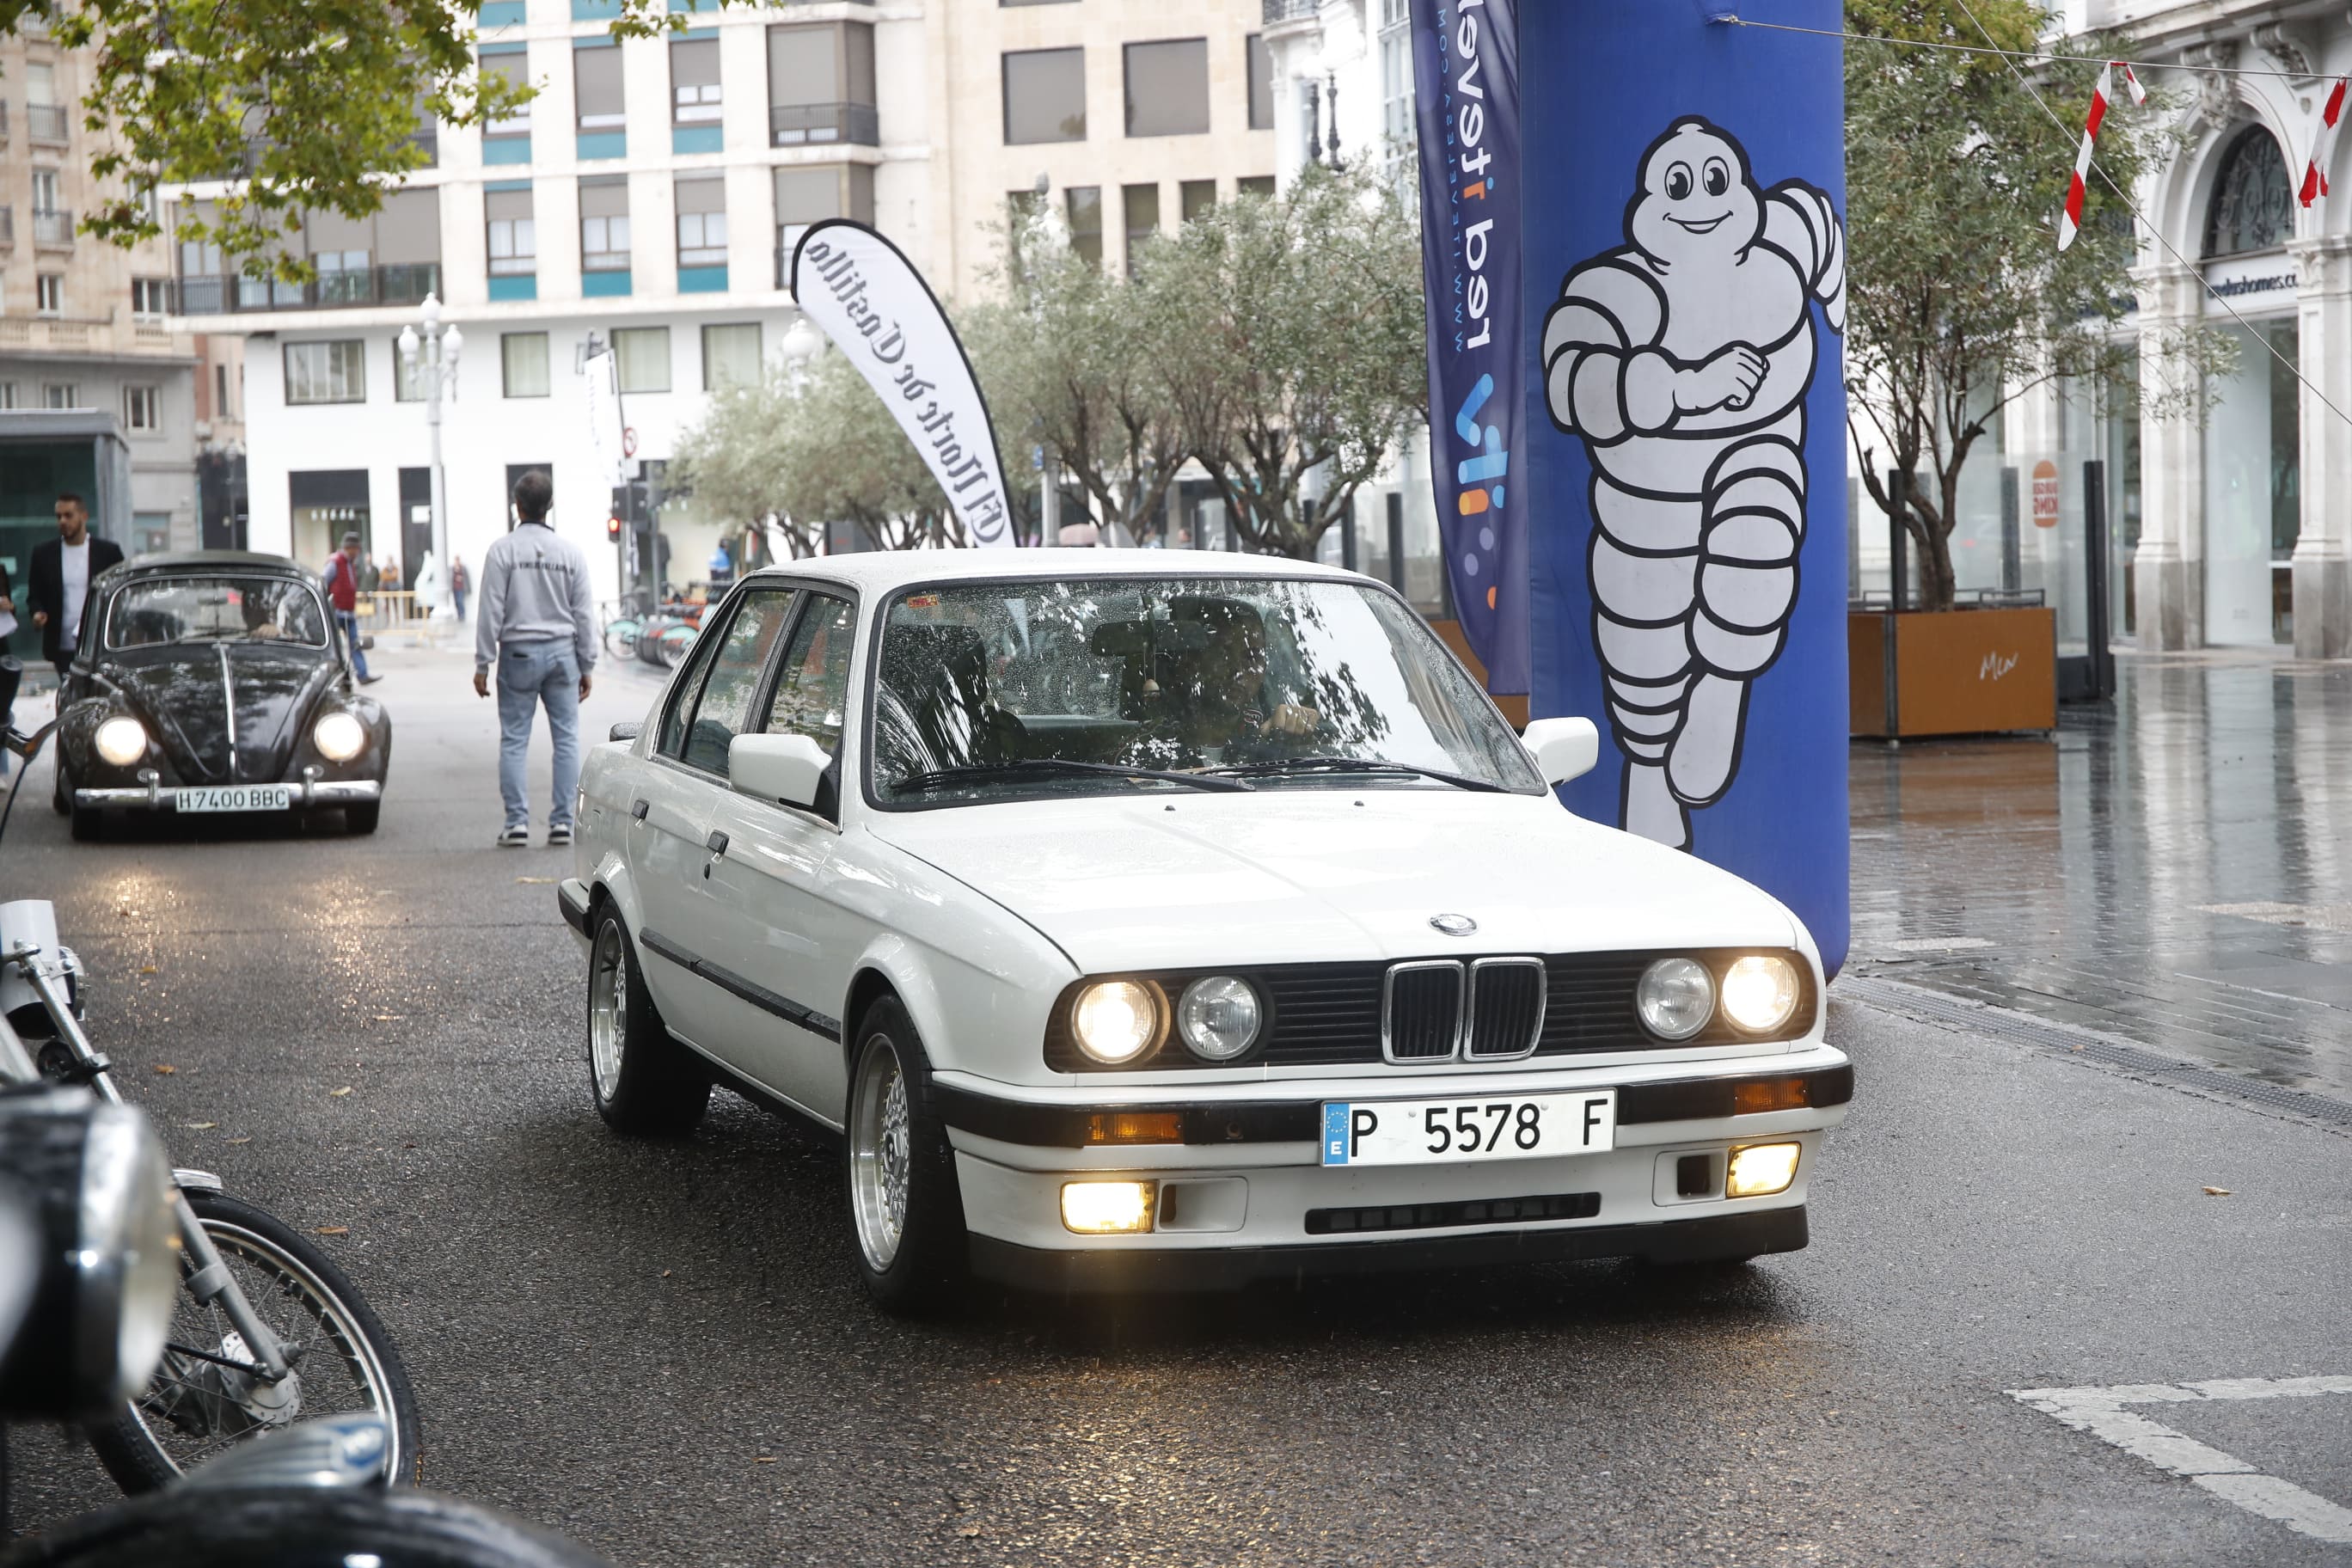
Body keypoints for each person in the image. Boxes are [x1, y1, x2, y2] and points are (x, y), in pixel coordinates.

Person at [475, 469, 596, 848]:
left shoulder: (502, 550)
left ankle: (517, 824)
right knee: (567, 740)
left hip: (518, 655)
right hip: (563, 655)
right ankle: (562, 823)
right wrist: (587, 663)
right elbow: (584, 614)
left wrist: (483, 662)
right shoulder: (570, 553)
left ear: (518, 506)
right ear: (550, 506)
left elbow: (490, 609)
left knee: (514, 740)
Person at [28, 493, 126, 680]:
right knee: (70, 694)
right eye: (58, 516)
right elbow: (34, 596)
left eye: (68, 515)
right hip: (61, 644)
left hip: (98, 644)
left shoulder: (108, 552)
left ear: (84, 516)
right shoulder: (44, 554)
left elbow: (121, 593)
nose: (62, 521)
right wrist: (37, 613)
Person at [322, 530, 382, 685]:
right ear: (350, 548)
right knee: (334, 646)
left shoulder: (350, 564)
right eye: (356, 549)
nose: (358, 552)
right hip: (336, 611)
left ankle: (362, 674)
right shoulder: (335, 562)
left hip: (348, 611)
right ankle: (335, 677)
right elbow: (323, 583)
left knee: (355, 644)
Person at [450, 556, 469, 621]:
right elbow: (451, 577)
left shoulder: (462, 568)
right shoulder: (453, 568)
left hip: (461, 588)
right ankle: (459, 615)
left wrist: (461, 578)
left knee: (460, 601)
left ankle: (462, 615)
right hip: (455, 588)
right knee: (456, 602)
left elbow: (466, 578)